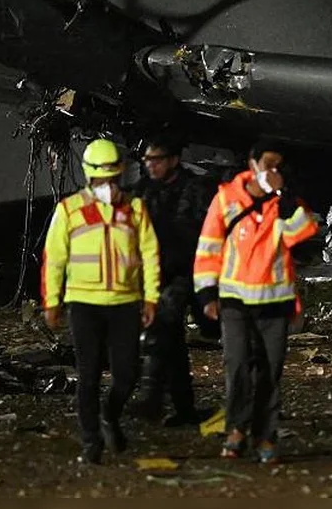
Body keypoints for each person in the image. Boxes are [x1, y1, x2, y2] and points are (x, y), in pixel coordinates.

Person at [194, 145, 318, 463]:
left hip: (274, 301)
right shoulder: (227, 198)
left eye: (279, 165)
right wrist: (207, 294)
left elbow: (301, 233)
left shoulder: (284, 203)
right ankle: (236, 429)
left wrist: (287, 198)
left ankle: (265, 437)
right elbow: (209, 246)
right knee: (236, 367)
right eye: (268, 163)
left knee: (269, 373)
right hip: (234, 300)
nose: (273, 170)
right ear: (252, 163)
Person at [41, 138, 160, 464]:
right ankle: (91, 442)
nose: (107, 183)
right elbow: (54, 259)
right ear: (90, 175)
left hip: (125, 302)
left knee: (127, 374)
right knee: (89, 375)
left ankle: (110, 414)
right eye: (101, 177)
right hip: (84, 303)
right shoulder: (69, 210)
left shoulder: (135, 210)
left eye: (112, 176)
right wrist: (52, 301)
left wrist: (151, 298)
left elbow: (150, 255)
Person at [130, 135, 214, 427]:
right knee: (171, 339)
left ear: (173, 160)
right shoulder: (143, 192)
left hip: (187, 272)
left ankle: (152, 393)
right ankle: (183, 407)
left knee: (163, 325)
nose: (151, 166)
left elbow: (203, 233)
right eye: (147, 161)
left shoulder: (194, 189)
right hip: (155, 273)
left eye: (157, 160)